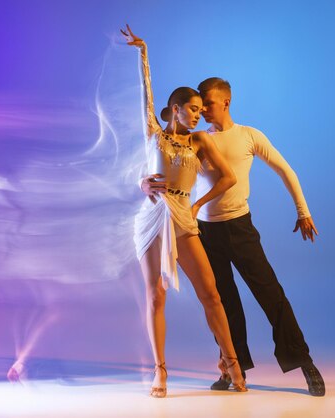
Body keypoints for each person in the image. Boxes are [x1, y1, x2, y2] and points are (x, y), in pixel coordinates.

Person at [141, 77, 326, 396]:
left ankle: (303, 361)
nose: (202, 110)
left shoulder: (248, 136)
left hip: (239, 225)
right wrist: (144, 184)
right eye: (196, 106)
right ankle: (231, 366)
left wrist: (303, 210)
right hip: (202, 229)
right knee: (221, 300)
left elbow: (285, 170)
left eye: (207, 104)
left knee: (271, 295)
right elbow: (162, 168)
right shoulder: (195, 138)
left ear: (225, 103)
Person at [121, 25, 246, 398]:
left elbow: (226, 178)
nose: (198, 115)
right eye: (192, 110)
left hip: (183, 215)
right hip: (152, 218)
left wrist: (196, 204)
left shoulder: (201, 140)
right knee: (155, 295)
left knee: (211, 295)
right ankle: (160, 370)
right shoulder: (154, 134)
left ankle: (232, 362)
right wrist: (143, 51)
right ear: (174, 110)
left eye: (200, 110)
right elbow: (145, 93)